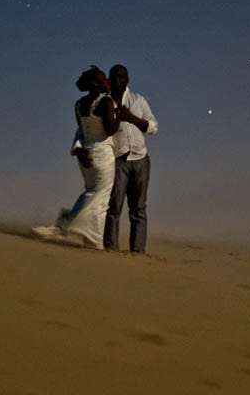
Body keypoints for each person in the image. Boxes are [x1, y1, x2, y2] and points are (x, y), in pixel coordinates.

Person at [33, 66, 119, 249]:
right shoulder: (106, 102)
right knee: (99, 196)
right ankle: (64, 227)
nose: (108, 82)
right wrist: (120, 116)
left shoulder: (79, 105)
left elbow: (82, 130)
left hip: (86, 154)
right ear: (97, 84)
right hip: (103, 154)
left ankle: (94, 240)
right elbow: (110, 129)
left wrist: (77, 150)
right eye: (104, 79)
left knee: (93, 193)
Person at [75, 64, 158, 253]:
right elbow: (84, 131)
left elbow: (154, 127)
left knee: (138, 209)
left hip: (141, 159)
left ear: (127, 80)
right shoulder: (104, 101)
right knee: (113, 207)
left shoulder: (138, 100)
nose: (117, 80)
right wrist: (78, 148)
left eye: (122, 77)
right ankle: (110, 250)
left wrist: (131, 118)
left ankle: (138, 252)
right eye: (114, 77)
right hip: (117, 160)